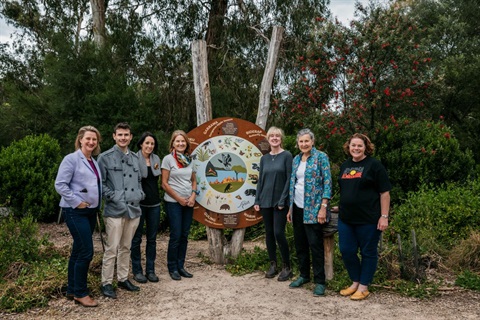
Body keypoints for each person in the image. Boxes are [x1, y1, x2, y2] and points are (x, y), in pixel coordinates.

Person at [337, 133, 391, 300]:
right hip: (346, 218)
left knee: (368, 252)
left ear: (366, 147)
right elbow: (347, 190)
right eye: (353, 145)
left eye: (360, 145)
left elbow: (385, 193)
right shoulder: (345, 166)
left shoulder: (374, 166)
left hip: (368, 219)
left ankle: (364, 286)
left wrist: (384, 216)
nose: (356, 148)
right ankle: (355, 282)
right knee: (346, 250)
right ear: (349, 147)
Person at [54, 125, 102, 307]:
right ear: (80, 139)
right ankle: (81, 293)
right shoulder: (71, 159)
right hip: (75, 211)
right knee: (86, 251)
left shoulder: (93, 161)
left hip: (90, 211)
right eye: (88, 138)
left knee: (77, 250)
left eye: (94, 139)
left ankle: (72, 289)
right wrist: (77, 201)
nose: (91, 142)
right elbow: (60, 184)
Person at [98, 122, 145, 299]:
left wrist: (140, 194)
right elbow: (100, 184)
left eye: (126, 135)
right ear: (114, 136)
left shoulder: (135, 158)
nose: (123, 138)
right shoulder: (105, 157)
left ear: (131, 137)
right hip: (114, 210)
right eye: (120, 135)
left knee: (126, 247)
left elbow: (139, 180)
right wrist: (115, 197)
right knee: (112, 248)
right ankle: (106, 282)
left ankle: (123, 278)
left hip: (133, 209)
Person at [287, 128, 332, 297]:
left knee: (315, 245)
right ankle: (304, 275)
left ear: (312, 141)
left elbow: (327, 183)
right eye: (301, 141)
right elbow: (294, 183)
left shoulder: (321, 157)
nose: (304, 144)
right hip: (297, 207)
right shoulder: (296, 159)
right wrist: (290, 209)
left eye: (307, 141)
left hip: (314, 209)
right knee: (300, 245)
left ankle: (320, 281)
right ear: (298, 143)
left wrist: (323, 207)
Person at [254, 126, 293, 281]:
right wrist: (257, 200)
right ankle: (273, 264)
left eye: (277, 136)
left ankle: (287, 266)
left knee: (279, 232)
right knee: (269, 233)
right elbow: (260, 180)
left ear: (281, 139)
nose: (275, 138)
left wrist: (283, 200)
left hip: (280, 202)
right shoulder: (264, 158)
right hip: (265, 201)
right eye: (272, 136)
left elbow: (289, 179)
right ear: (268, 139)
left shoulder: (287, 156)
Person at [161, 130, 197, 281]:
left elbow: (194, 180)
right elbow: (164, 183)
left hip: (188, 202)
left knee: (184, 235)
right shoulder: (168, 160)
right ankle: (172, 267)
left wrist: (193, 195)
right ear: (173, 144)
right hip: (173, 202)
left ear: (186, 143)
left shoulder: (190, 160)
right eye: (178, 141)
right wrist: (179, 198)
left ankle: (181, 266)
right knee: (175, 235)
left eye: (183, 141)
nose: (180, 143)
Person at [131, 132, 162, 283]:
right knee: (136, 239)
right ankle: (137, 270)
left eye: (152, 144)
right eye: (147, 143)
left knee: (152, 239)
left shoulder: (156, 159)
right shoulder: (133, 159)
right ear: (141, 144)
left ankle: (150, 270)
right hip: (139, 204)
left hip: (154, 204)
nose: (149, 146)